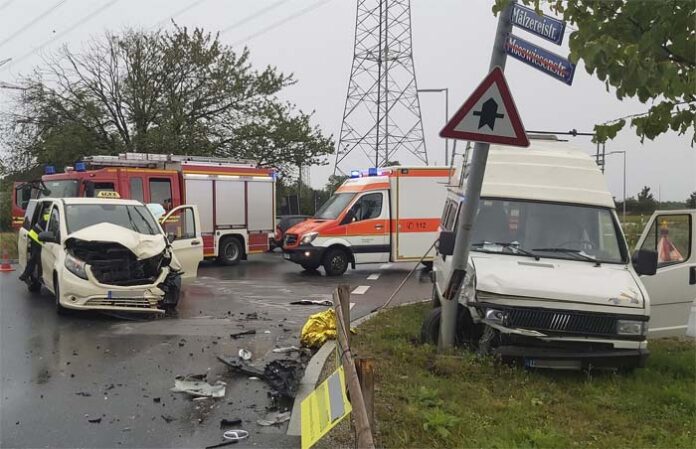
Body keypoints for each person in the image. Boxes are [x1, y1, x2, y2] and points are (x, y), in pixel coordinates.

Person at [19, 210, 49, 282]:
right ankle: (28, 275)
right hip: (36, 237)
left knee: (36, 258)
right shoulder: (53, 217)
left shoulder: (48, 215)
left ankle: (27, 275)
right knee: (36, 257)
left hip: (35, 234)